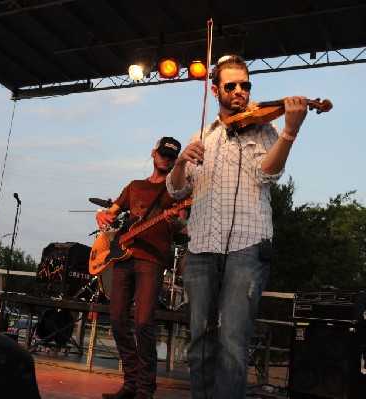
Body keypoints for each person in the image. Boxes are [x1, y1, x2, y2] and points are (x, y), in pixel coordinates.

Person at [166, 55, 308, 399]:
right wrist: (182, 161)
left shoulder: (264, 129)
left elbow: (268, 174)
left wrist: (289, 131)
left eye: (245, 85)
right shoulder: (202, 136)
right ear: (216, 90)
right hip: (201, 247)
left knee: (233, 337)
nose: (240, 91)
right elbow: (175, 189)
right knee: (199, 336)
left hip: (248, 245)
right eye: (231, 85)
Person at [96, 137, 187, 399]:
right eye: (163, 154)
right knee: (116, 319)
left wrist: (173, 222)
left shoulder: (177, 192)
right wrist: (103, 216)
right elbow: (111, 212)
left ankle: (145, 388)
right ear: (154, 154)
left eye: (171, 157)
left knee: (144, 321)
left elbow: (182, 225)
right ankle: (131, 383)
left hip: (152, 261)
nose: (166, 159)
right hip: (123, 259)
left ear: (175, 161)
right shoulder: (134, 187)